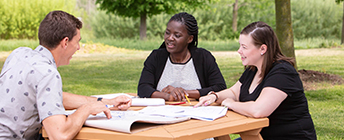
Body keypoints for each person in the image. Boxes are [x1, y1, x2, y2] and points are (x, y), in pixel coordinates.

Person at [0, 10, 132, 140]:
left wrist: (105, 102)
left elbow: (53, 98)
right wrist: (86, 110)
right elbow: (59, 135)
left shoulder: (18, 54)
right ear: (65, 42)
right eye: (77, 41)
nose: (78, 47)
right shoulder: (48, 74)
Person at [195, 21, 317, 139]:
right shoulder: (253, 70)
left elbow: (259, 110)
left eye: (244, 47)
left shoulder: (283, 72)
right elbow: (234, 92)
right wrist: (214, 96)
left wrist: (231, 104)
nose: (239, 51)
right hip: (260, 136)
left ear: (263, 49)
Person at [138, 12, 227, 101]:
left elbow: (220, 88)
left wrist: (184, 93)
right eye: (167, 33)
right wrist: (168, 96)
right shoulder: (156, 57)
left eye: (177, 35)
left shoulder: (203, 57)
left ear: (190, 39)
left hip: (196, 112)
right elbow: (143, 88)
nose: (170, 38)